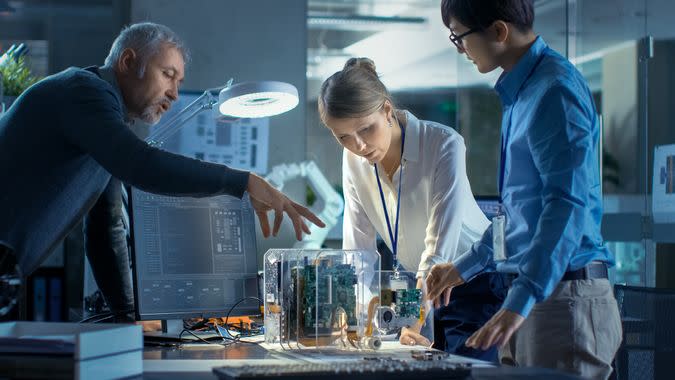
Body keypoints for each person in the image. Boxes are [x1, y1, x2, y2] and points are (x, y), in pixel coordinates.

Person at [0, 22, 324, 318]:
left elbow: (105, 228)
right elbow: (142, 165)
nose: (174, 93)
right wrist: (243, 181)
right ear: (128, 62)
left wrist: (128, 317)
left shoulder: (105, 123)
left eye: (179, 81)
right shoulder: (82, 92)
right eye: (168, 74)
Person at [425, 1, 622, 378]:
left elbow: (566, 205)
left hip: (562, 301)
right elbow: (516, 216)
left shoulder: (554, 92)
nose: (459, 48)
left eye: (459, 37)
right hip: (534, 297)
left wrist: (521, 299)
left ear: (499, 32)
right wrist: (463, 269)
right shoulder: (523, 92)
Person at [319, 57, 508, 361]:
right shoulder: (353, 159)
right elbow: (357, 252)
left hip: (472, 282)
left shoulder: (443, 144)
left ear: (386, 110)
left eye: (367, 129)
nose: (359, 146)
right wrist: (356, 319)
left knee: (466, 371)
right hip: (413, 287)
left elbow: (438, 251)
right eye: (343, 137)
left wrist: (414, 320)